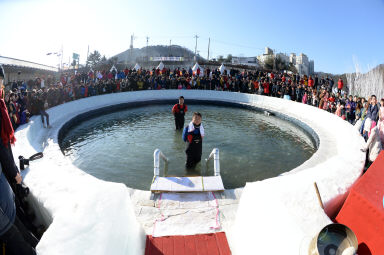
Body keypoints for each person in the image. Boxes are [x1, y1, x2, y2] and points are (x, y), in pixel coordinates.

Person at [0, 65, 37, 255]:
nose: (2, 86)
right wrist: (14, 172)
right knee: (9, 224)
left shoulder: (1, 105)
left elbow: (4, 145)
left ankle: (31, 238)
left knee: (13, 212)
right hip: (4, 171)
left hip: (5, 169)